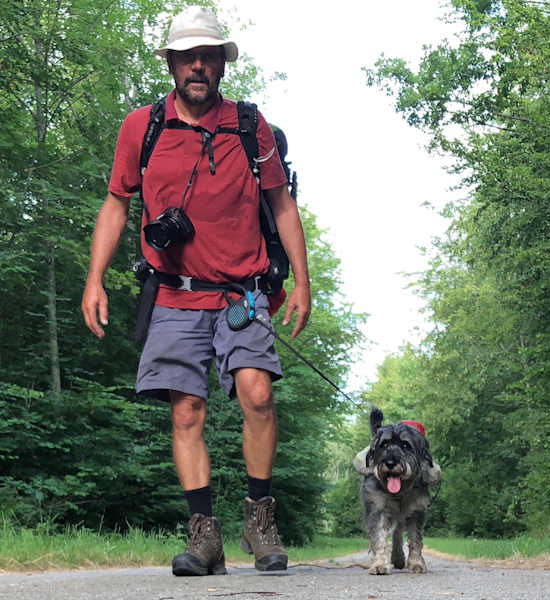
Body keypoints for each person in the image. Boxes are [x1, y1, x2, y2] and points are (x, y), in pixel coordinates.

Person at [80, 6, 310, 577]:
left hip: (243, 292)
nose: (199, 67)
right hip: (174, 294)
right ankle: (204, 537)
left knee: (257, 393)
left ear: (223, 66)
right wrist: (94, 279)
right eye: (188, 58)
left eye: (209, 57)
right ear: (172, 64)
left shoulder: (249, 125)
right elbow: (116, 203)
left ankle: (260, 519)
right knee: (187, 410)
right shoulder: (142, 127)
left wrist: (303, 282)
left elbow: (281, 205)